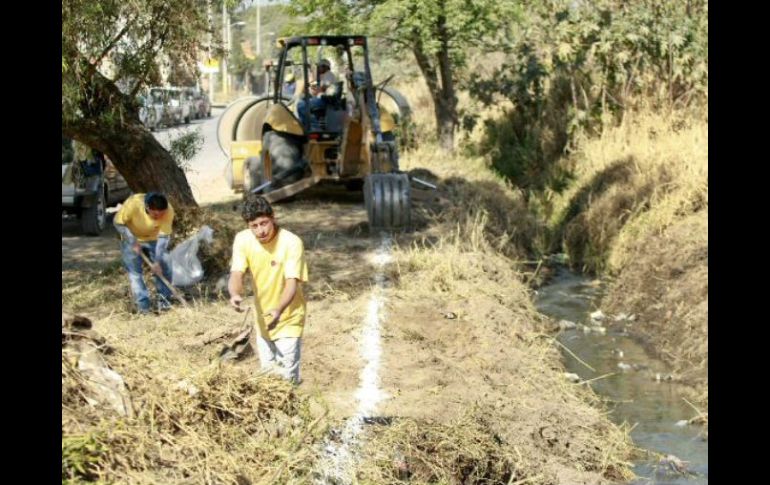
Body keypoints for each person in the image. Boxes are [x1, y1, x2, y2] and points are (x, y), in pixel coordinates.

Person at [228, 194, 308, 384]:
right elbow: (237, 273)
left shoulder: (291, 242)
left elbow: (291, 283)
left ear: (273, 217)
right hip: (262, 320)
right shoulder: (242, 239)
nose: (260, 231)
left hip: (288, 318)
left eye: (264, 223)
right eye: (254, 226)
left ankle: (290, 412)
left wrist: (278, 310)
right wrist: (235, 294)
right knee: (268, 378)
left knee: (286, 381)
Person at [113, 193, 176, 314]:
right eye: (155, 214)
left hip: (154, 238)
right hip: (131, 237)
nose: (159, 216)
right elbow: (118, 223)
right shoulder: (133, 204)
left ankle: (164, 304)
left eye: (162, 213)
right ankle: (144, 308)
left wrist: (157, 262)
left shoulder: (168, 210)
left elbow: (163, 239)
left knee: (166, 267)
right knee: (135, 273)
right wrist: (132, 241)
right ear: (147, 208)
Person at [297, 58, 339, 129]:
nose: (318, 68)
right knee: (302, 102)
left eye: (319, 66)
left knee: (301, 106)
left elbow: (320, 89)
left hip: (324, 100)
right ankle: (304, 127)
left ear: (325, 67)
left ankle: (315, 127)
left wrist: (311, 88)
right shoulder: (324, 76)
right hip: (322, 99)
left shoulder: (329, 75)